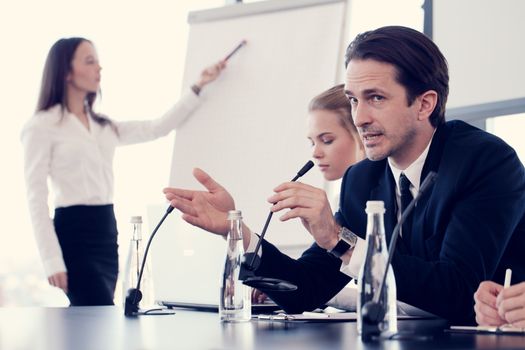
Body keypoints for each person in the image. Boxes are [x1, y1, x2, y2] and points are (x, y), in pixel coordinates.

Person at [164, 26, 525, 324]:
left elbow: (456, 289)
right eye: (353, 99)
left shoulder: (485, 162)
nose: (360, 117)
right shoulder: (362, 180)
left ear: (425, 104)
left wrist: (339, 240)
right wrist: (237, 232)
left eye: (376, 98)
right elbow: (305, 290)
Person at [21, 37, 226, 306]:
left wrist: (198, 86)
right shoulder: (41, 126)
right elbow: (35, 197)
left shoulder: (104, 126)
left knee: (97, 314)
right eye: (89, 61)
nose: (99, 68)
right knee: (95, 310)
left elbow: (157, 127)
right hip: (73, 232)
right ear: (66, 72)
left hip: (105, 229)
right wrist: (51, 259)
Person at [252, 84, 365, 306]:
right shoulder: (350, 203)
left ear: (361, 134)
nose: (315, 152)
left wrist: (329, 297)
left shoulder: (393, 193)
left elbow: (404, 295)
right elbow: (309, 283)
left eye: (327, 140)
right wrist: (232, 230)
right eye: (312, 142)